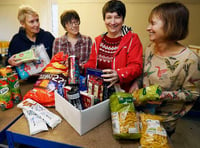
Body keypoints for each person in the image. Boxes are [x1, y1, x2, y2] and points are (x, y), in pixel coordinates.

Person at [129, 2, 200, 137]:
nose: (148, 28)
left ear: (171, 26)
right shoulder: (150, 48)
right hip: (141, 114)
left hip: (164, 122)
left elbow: (193, 94)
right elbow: (144, 73)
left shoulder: (190, 60)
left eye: (153, 23)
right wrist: (136, 83)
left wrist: (163, 95)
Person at [83, 0, 143, 92]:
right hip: (99, 92)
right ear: (104, 19)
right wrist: (80, 67)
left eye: (117, 17)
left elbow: (137, 66)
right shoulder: (98, 40)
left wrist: (119, 74)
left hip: (122, 94)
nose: (113, 22)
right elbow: (91, 65)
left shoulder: (132, 39)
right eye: (109, 17)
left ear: (123, 19)